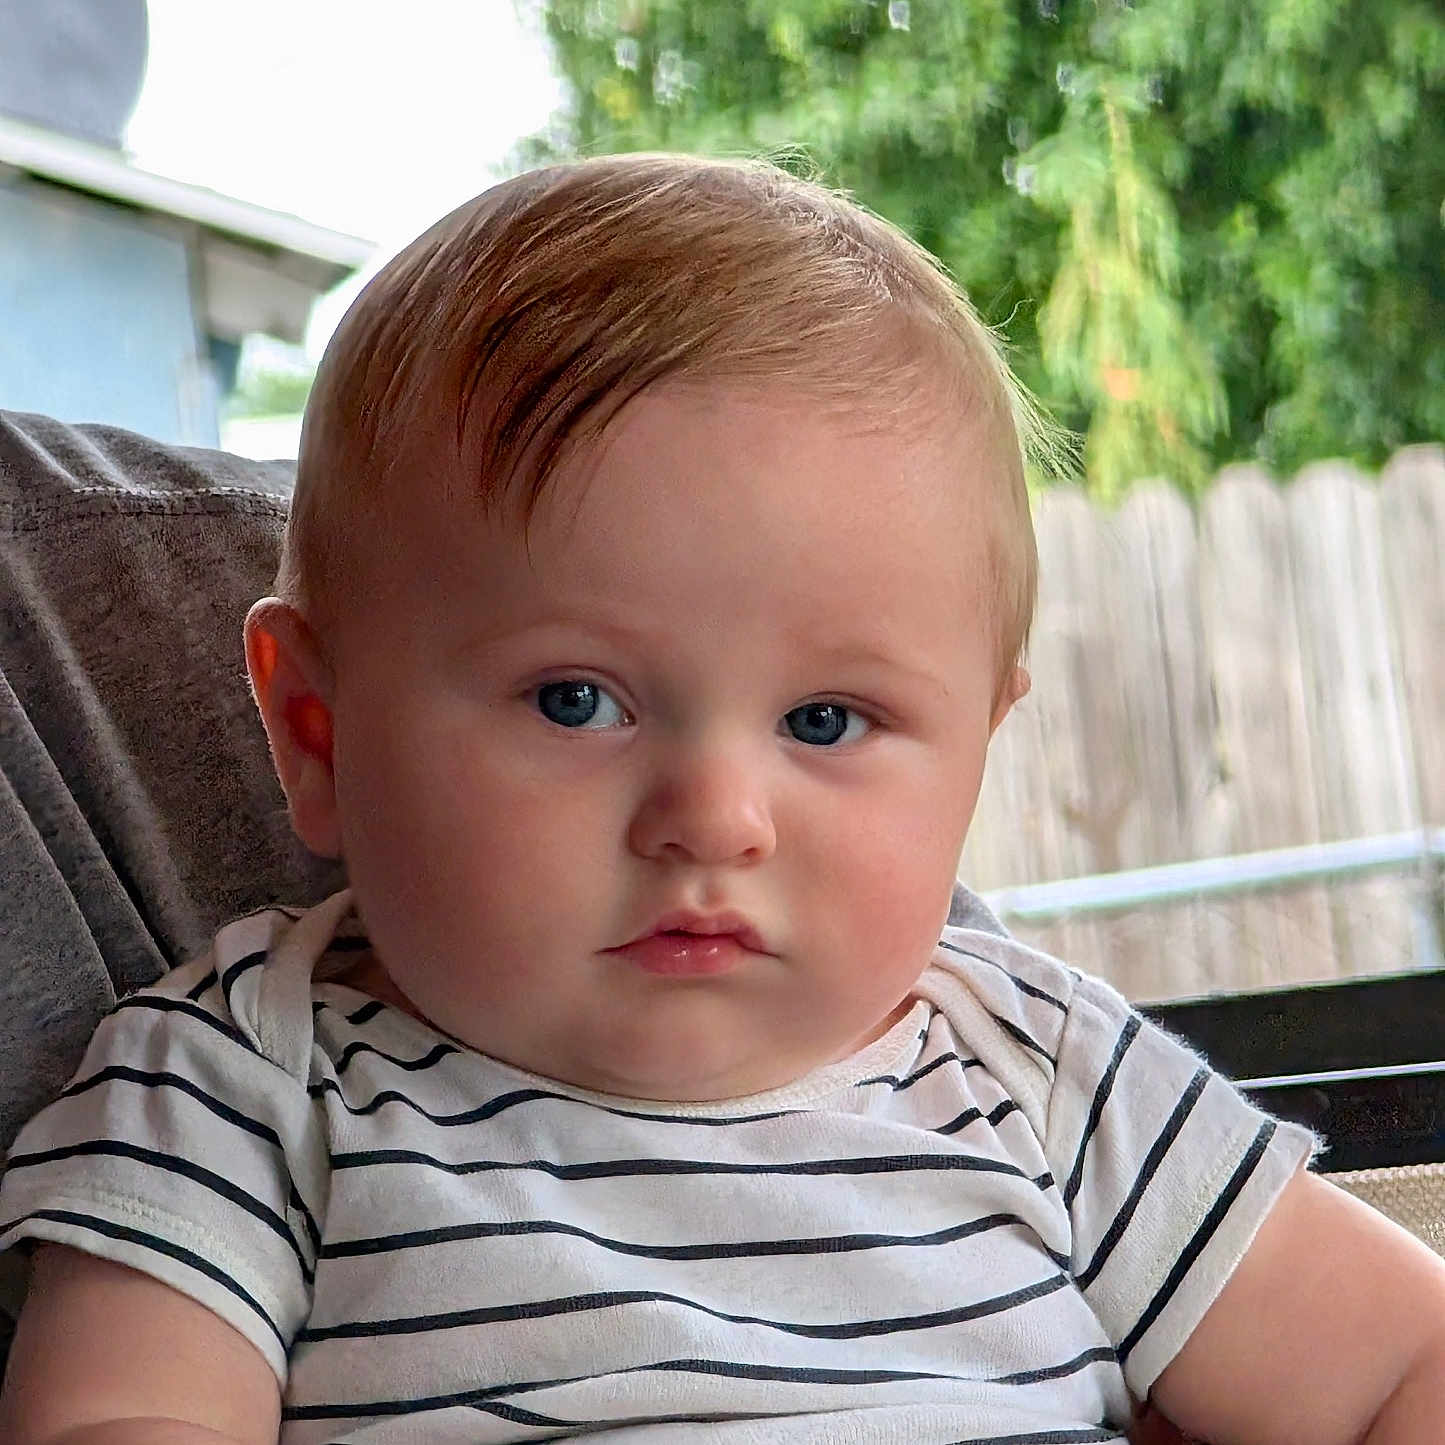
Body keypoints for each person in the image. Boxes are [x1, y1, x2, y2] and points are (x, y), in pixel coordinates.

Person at [1, 154, 1441, 1445]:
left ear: (979, 751)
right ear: (316, 729)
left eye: (826, 719)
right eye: (577, 699)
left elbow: (1403, 1365)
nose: (714, 816)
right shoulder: (243, 1081)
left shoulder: (1047, 1073)